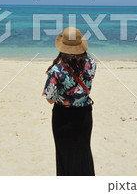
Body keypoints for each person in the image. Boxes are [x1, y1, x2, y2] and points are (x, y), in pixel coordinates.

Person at [42, 27, 97, 176]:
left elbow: (50, 99)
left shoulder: (57, 70)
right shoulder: (91, 64)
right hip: (85, 114)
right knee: (83, 153)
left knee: (64, 155)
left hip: (63, 117)